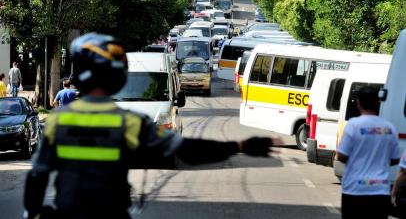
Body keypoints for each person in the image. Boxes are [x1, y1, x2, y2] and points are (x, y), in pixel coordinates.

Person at [23, 33, 283, 219]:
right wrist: (240, 145)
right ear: (118, 75)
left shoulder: (58, 121)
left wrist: (33, 212)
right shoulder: (128, 122)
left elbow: (37, 176)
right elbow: (187, 150)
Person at [337, 86, 400, 219]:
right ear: (378, 103)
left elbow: (341, 156)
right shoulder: (389, 128)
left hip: (354, 190)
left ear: (359, 103)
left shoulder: (353, 125)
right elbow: (395, 159)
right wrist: (380, 160)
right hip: (380, 191)